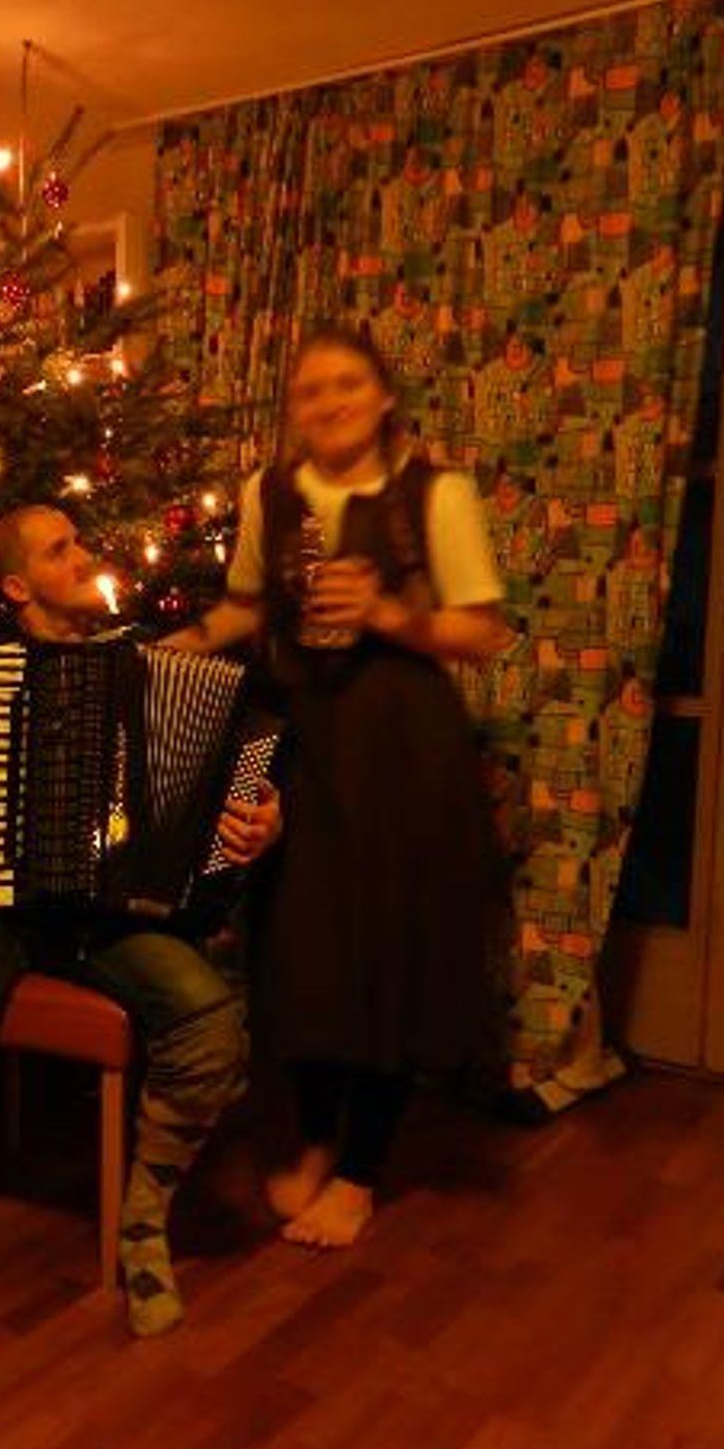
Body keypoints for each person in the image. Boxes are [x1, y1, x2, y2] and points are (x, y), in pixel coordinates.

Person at [0, 504, 281, 1338]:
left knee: (210, 1024)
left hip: (112, 919)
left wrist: (260, 821)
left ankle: (144, 1220)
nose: (84, 555)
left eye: (80, 543)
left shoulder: (146, 663)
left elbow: (225, 786)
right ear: (17, 586)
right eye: (60, 550)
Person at [168, 325, 510, 1250]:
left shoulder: (434, 494)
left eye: (348, 384)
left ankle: (360, 1169)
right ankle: (317, 1136)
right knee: (302, 947)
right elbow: (245, 608)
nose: (330, 403)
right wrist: (166, 651)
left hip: (404, 748)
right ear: (294, 409)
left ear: (384, 395)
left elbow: (481, 632)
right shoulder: (268, 494)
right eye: (311, 390)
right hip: (300, 741)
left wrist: (388, 613)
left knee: (389, 952)